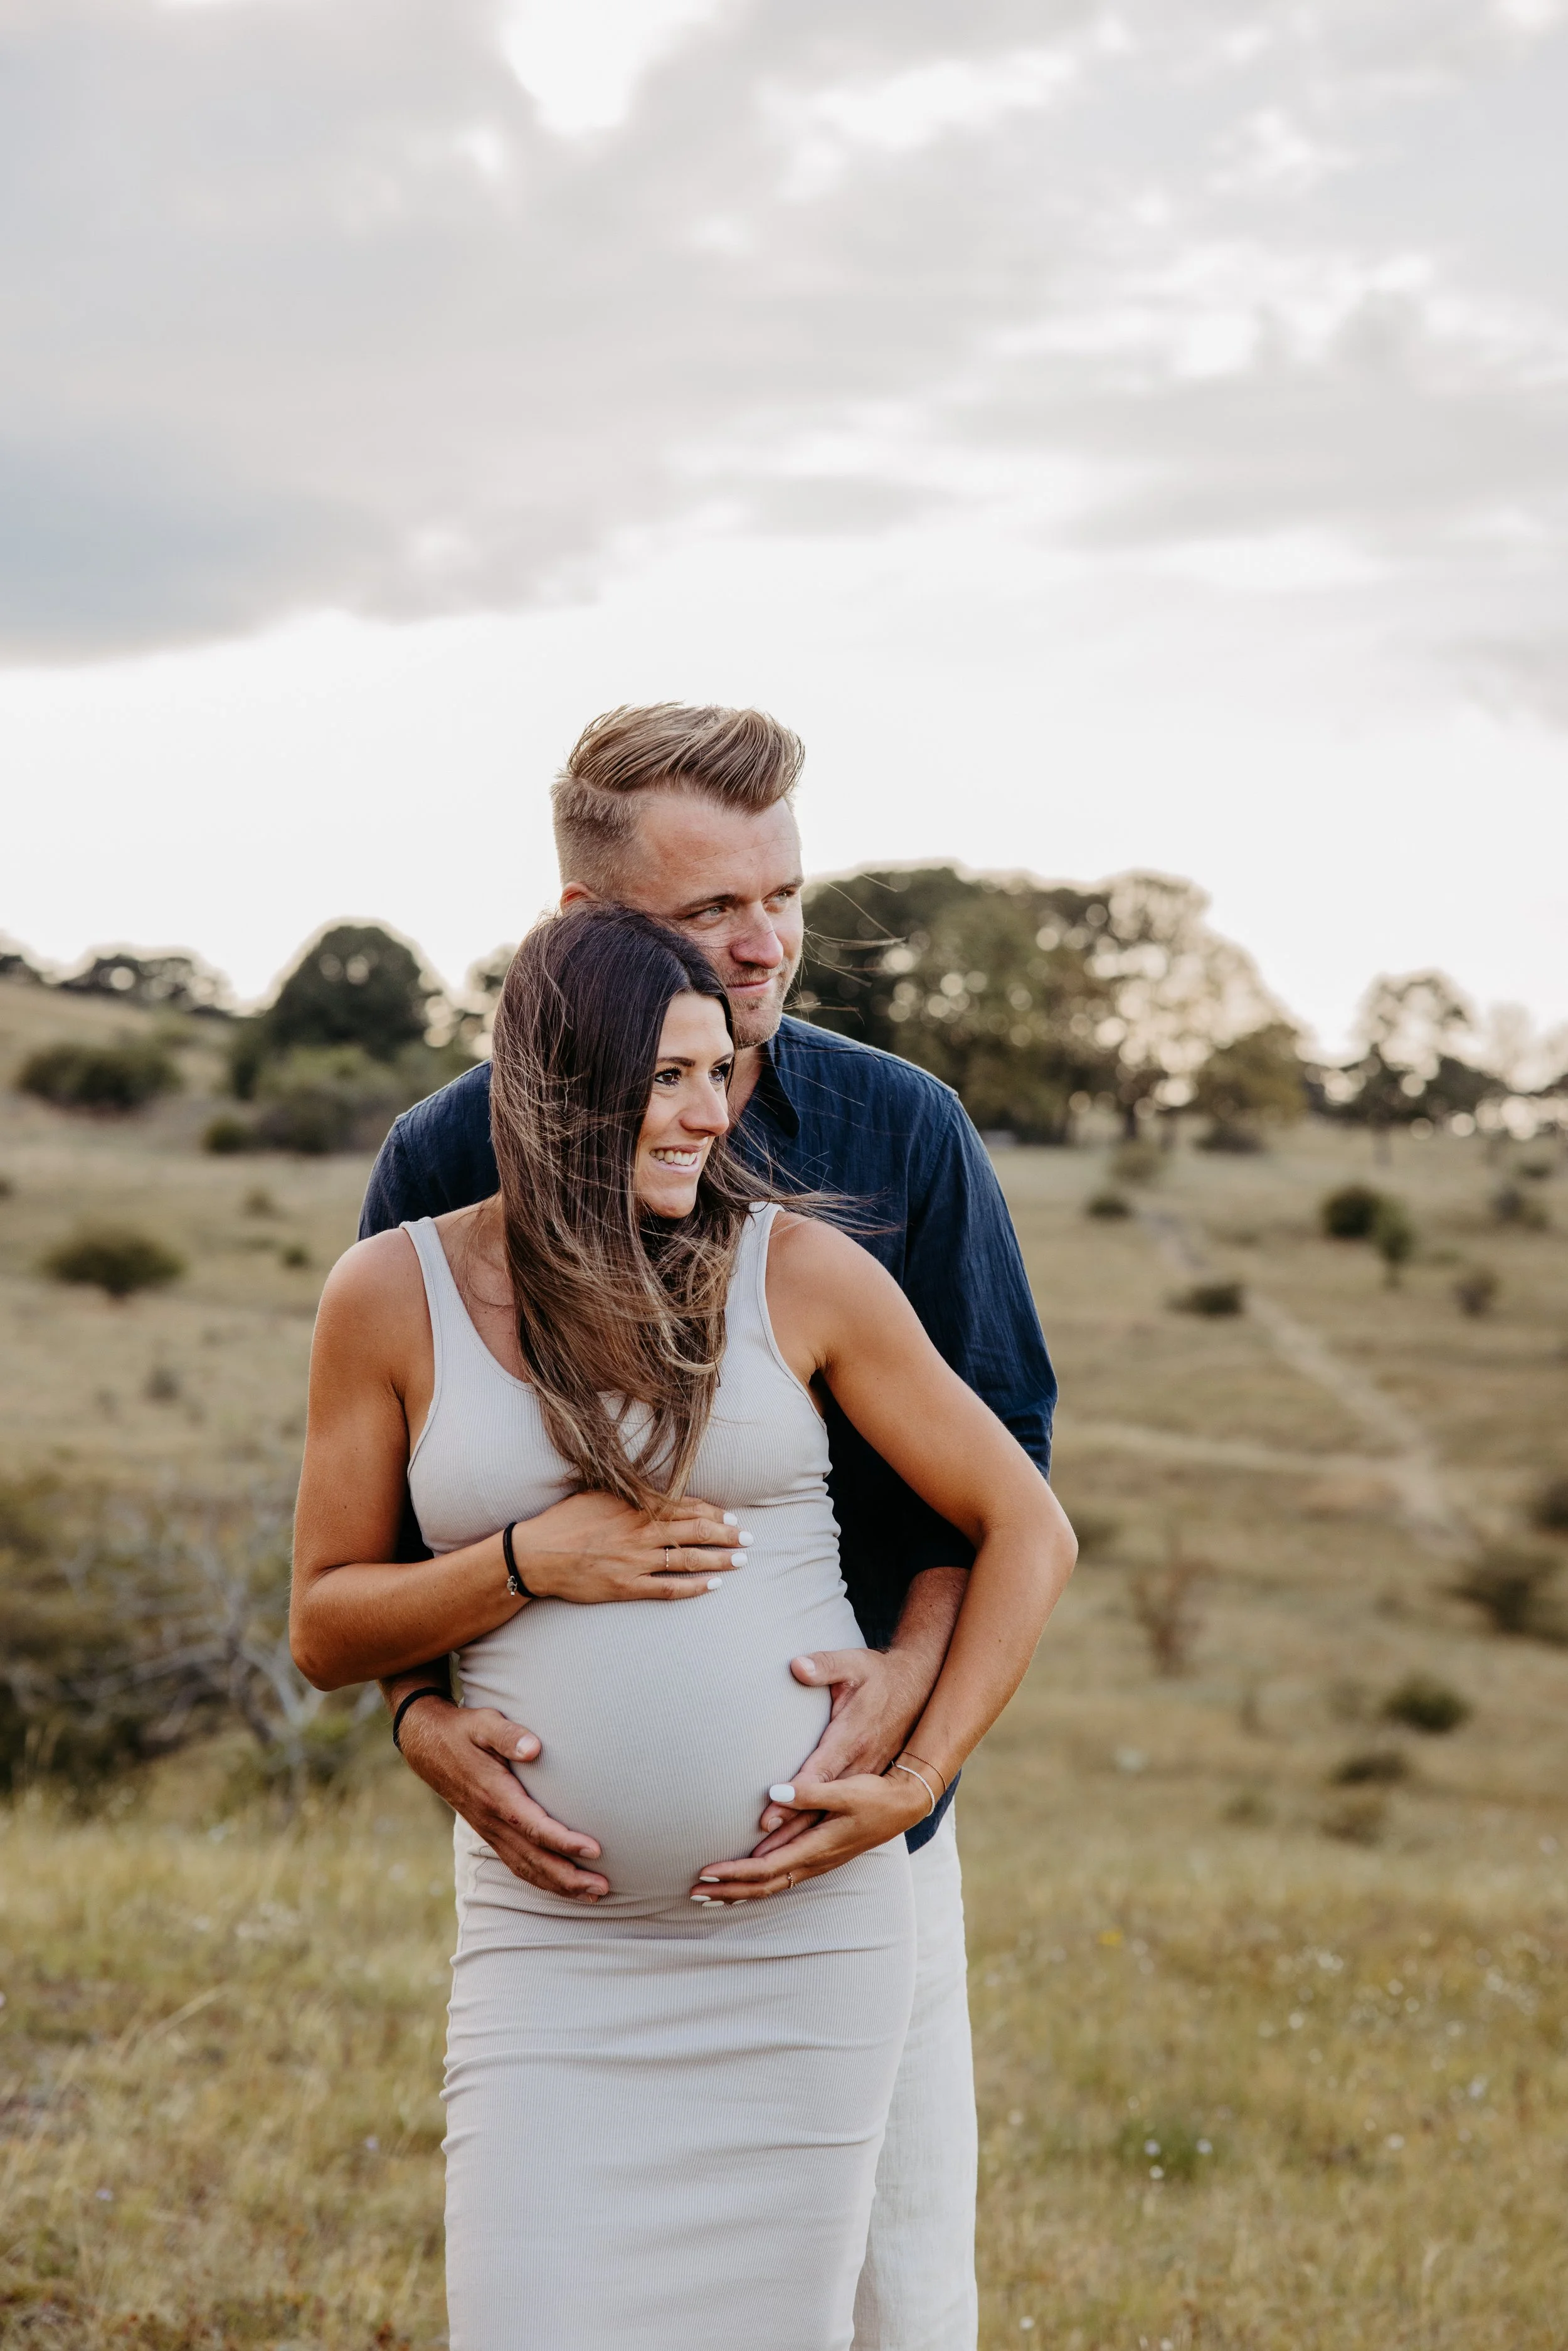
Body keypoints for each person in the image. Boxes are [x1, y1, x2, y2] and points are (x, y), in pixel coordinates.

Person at [359, 703, 1061, 2350]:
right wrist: (413, 1716)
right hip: (563, 1903)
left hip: (851, 1838)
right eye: (709, 912)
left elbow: (1007, 1469)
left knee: (897, 2298)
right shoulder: (442, 1159)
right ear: (584, 933)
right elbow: (380, 1524)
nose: (763, 944)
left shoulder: (900, 1132)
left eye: (784, 894)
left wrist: (914, 1727)